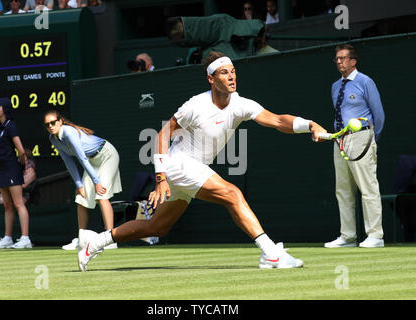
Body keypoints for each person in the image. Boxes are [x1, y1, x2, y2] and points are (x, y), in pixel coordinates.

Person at [76, 51, 328, 272]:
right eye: (223, 73)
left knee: (156, 227)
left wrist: (310, 125)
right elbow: (162, 136)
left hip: (194, 168)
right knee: (232, 193)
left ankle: (94, 244)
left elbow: (277, 120)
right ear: (211, 79)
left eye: (233, 72)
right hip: (178, 163)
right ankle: (270, 253)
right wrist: (161, 178)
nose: (231, 77)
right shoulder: (195, 106)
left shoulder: (241, 104)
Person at [324, 44, 385, 248]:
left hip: (361, 138)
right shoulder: (335, 86)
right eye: (337, 59)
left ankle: (375, 236)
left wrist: (370, 140)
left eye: (343, 58)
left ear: (353, 61)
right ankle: (348, 236)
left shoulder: (365, 81)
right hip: (339, 138)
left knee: (368, 186)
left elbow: (379, 115)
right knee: (342, 189)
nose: (339, 62)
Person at [43, 110, 122, 250]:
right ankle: (82, 240)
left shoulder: (68, 132)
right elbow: (69, 162)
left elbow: (81, 158)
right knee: (82, 198)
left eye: (53, 122)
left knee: (101, 195)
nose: (50, 126)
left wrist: (96, 181)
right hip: (92, 161)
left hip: (107, 155)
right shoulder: (53, 139)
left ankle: (110, 240)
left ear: (60, 121)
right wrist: (79, 185)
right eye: (47, 124)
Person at [0, 98, 33, 249]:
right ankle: (8, 238)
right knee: (7, 205)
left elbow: (21, 151)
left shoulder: (10, 126)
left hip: (12, 168)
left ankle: (25, 238)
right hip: (2, 170)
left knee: (18, 203)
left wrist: (21, 165)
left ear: (5, 109)